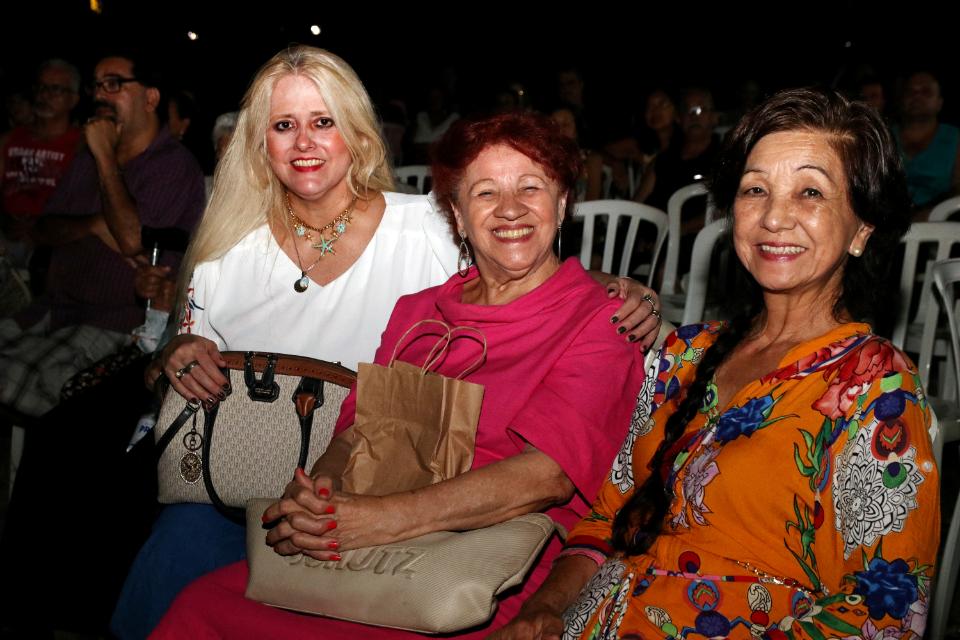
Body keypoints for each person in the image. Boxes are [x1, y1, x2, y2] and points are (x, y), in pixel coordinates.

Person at [111, 48, 662, 639]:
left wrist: (373, 520)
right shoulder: (417, 310)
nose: (509, 209)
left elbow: (548, 477)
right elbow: (356, 430)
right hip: (367, 533)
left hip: (485, 561)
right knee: (195, 603)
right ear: (457, 214)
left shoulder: (590, 317)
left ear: (564, 202)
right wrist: (320, 497)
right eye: (485, 194)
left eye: (531, 188)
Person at [494, 88, 940, 640]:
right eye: (756, 189)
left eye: (810, 192)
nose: (775, 216)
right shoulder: (683, 355)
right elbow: (608, 516)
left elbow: (885, 616)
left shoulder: (875, 385)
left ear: (862, 229)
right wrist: (543, 609)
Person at [0, 52, 205, 418]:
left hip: (113, 326)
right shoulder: (86, 159)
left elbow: (131, 239)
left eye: (113, 84)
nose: (99, 94)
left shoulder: (172, 165)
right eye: (96, 85)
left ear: (150, 98)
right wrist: (95, 223)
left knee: (16, 379)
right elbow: (42, 229)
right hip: (51, 311)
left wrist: (106, 159)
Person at [1, 59, 82, 268]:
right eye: (41, 87)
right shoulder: (9, 140)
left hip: (55, 244)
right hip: (7, 238)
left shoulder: (82, 146)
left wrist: (40, 229)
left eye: (55, 89)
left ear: (73, 99)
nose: (44, 95)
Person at [893, 70, 960, 218]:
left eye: (926, 92)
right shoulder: (883, 136)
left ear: (939, 103)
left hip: (940, 222)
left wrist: (929, 213)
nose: (917, 96)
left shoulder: (955, 138)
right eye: (910, 92)